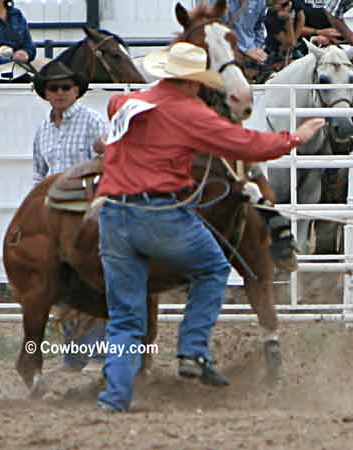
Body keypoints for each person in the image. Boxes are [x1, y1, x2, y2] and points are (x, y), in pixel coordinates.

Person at [94, 42, 326, 413]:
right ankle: (192, 350)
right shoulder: (189, 112)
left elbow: (112, 120)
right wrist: (295, 137)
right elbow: (245, 143)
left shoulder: (126, 103)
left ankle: (115, 396)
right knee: (215, 267)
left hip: (112, 215)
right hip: (158, 213)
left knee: (125, 314)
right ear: (194, 83)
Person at [32, 60, 109, 372]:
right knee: (62, 283)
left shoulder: (92, 121)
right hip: (55, 216)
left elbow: (108, 161)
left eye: (66, 87)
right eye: (54, 88)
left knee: (92, 281)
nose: (61, 92)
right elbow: (39, 173)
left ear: (77, 90)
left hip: (85, 212)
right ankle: (76, 356)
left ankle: (98, 354)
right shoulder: (43, 129)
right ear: (46, 93)